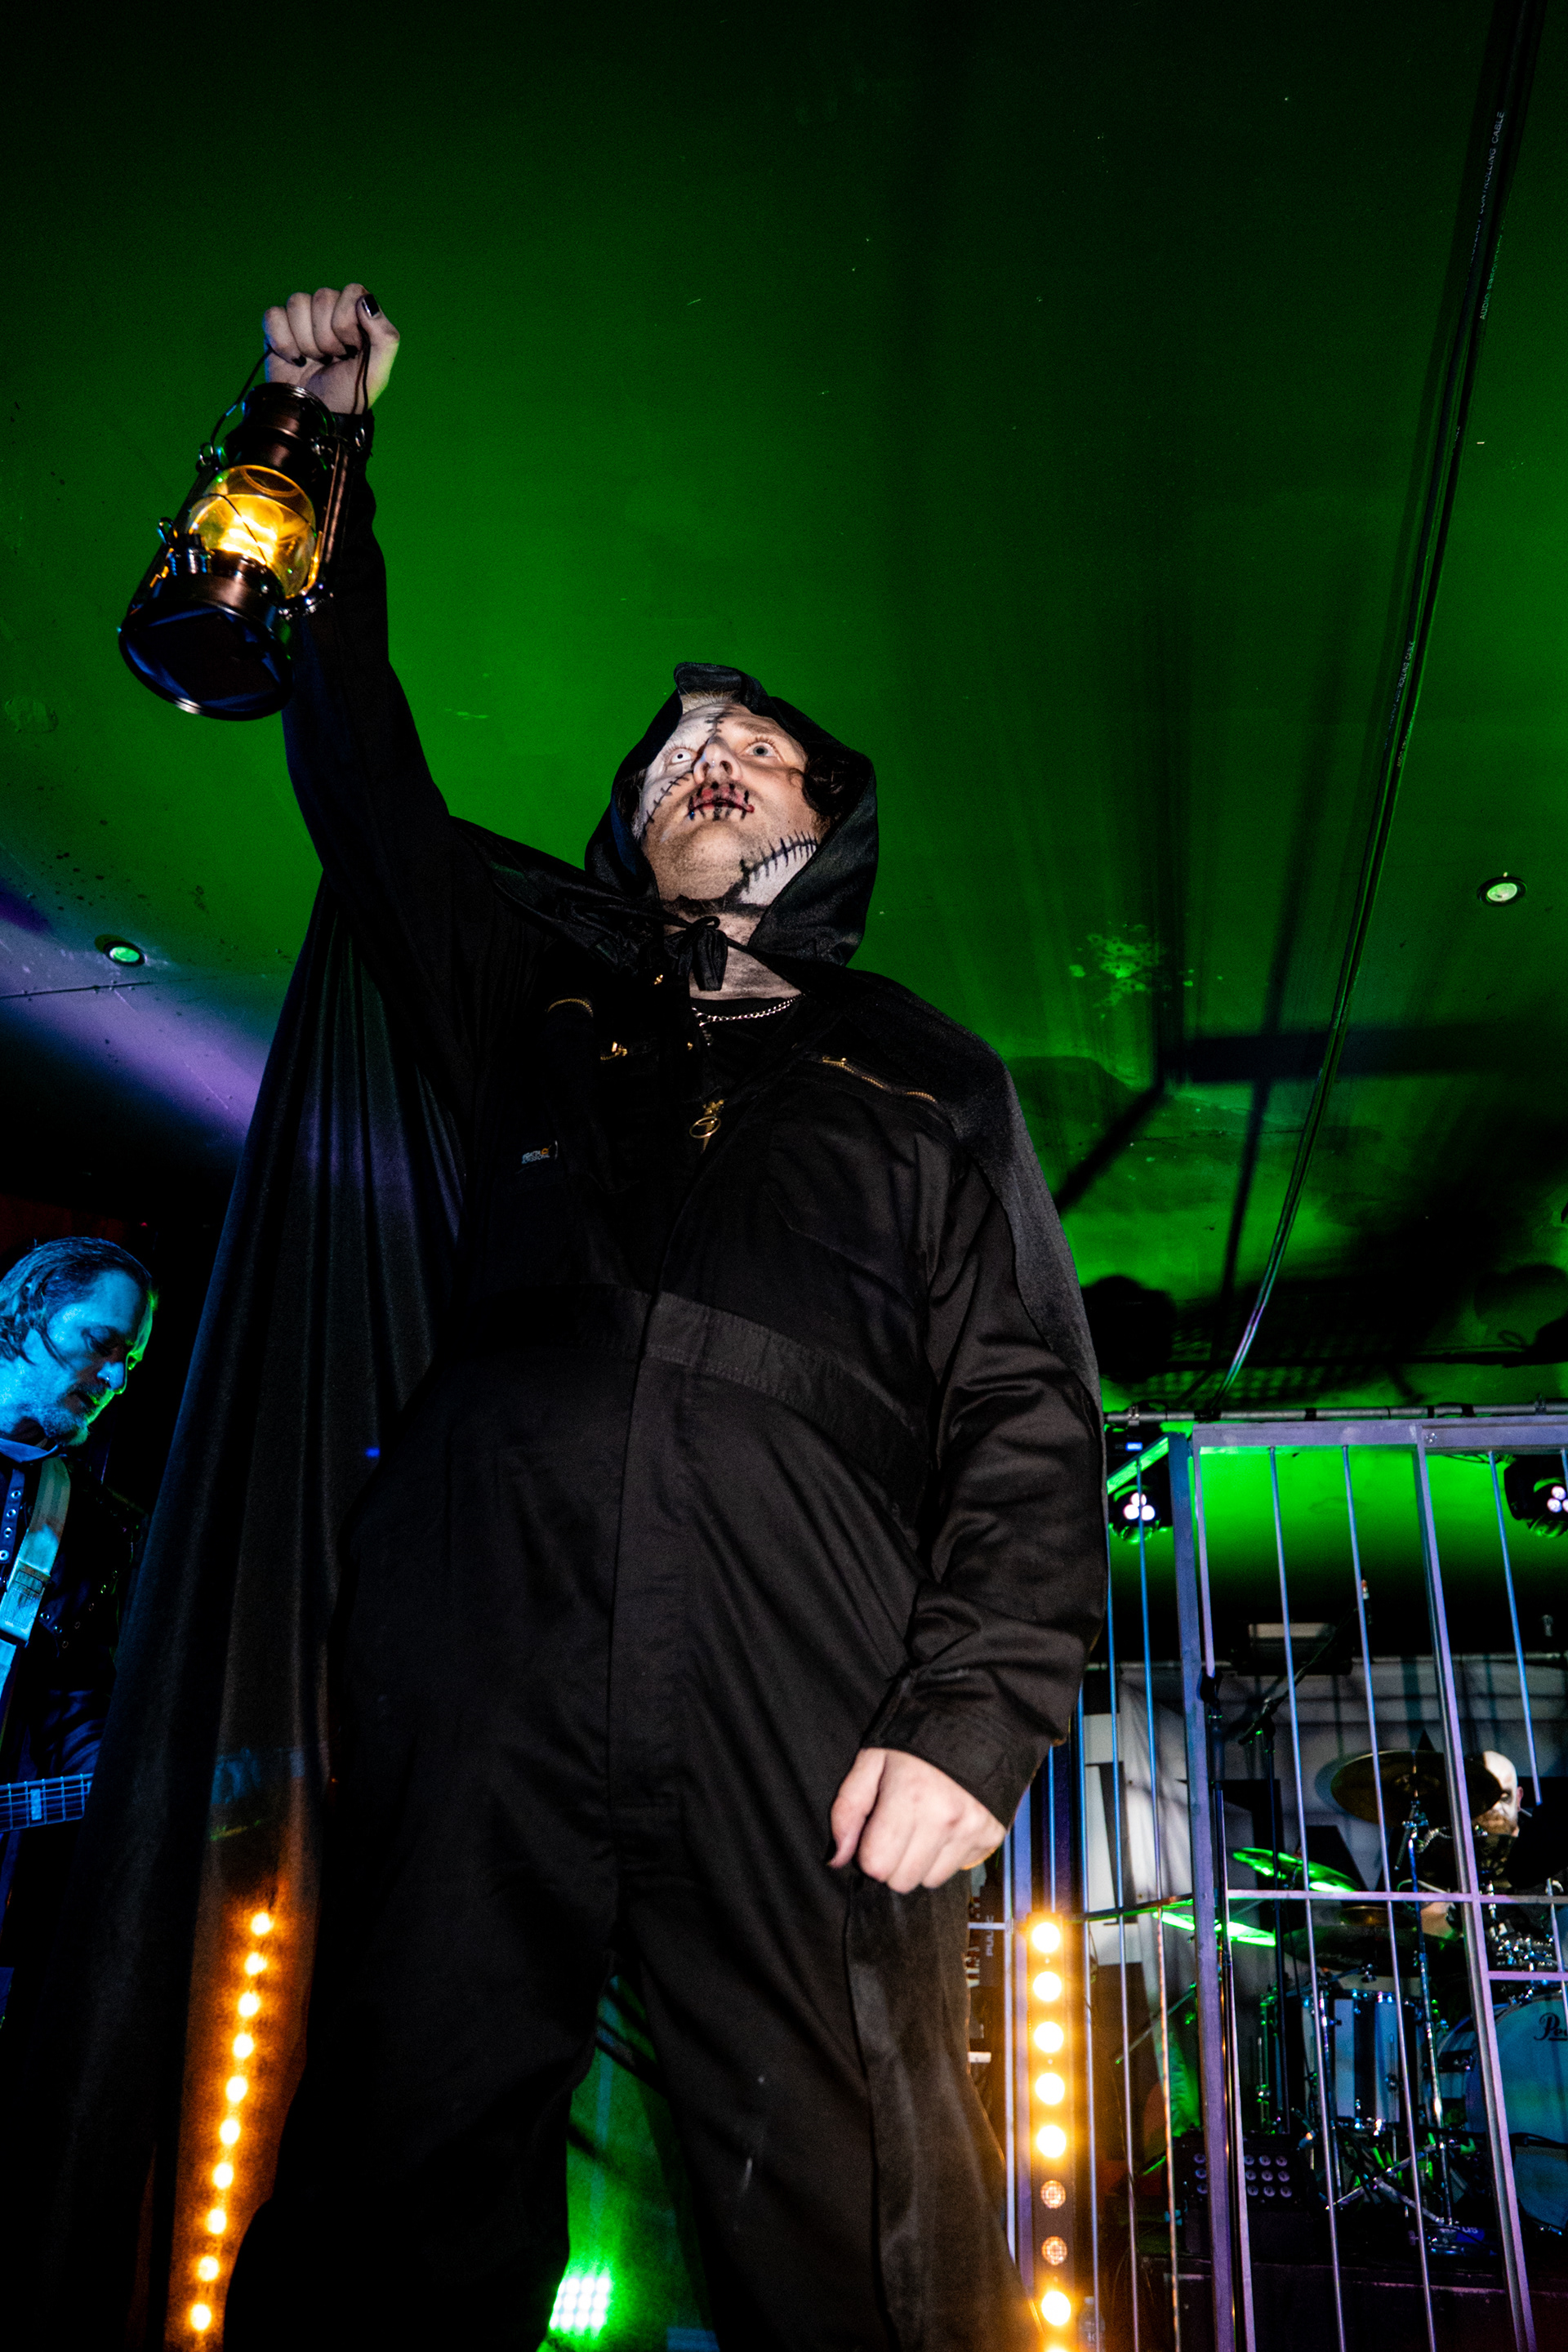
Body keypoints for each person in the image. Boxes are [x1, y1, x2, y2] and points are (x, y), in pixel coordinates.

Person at [0, 1237, 154, 2112]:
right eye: (103, 1344)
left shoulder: (93, 1524)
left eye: (130, 1363)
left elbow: (72, 1698)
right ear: (24, 1312)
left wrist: (119, 1784)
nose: (116, 1379)